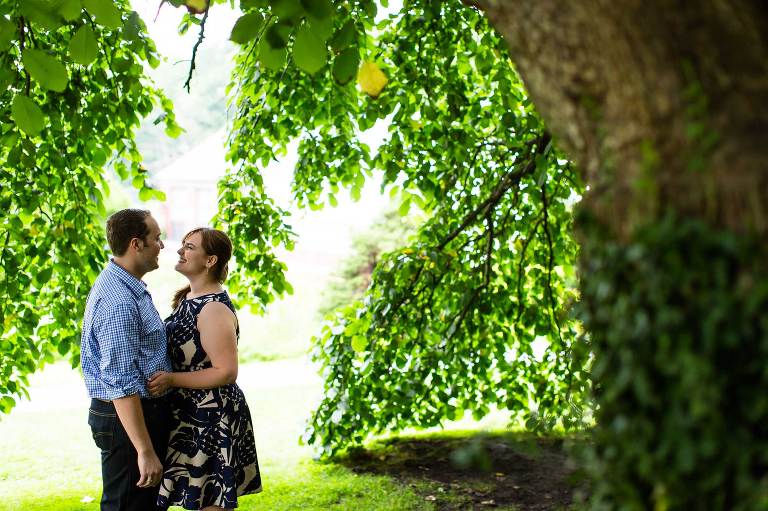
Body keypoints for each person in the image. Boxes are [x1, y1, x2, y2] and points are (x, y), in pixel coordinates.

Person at [148, 227, 262, 510]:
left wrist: (172, 379)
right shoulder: (189, 298)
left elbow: (226, 371)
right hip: (190, 412)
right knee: (197, 497)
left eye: (189, 247)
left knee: (210, 501)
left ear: (210, 260)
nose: (179, 250)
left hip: (211, 414)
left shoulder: (213, 309)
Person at [80, 209, 172, 511]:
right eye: (156, 238)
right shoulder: (119, 301)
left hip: (133, 416)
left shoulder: (126, 286)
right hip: (129, 419)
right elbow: (120, 382)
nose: (162, 245)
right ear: (137, 244)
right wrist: (144, 450)